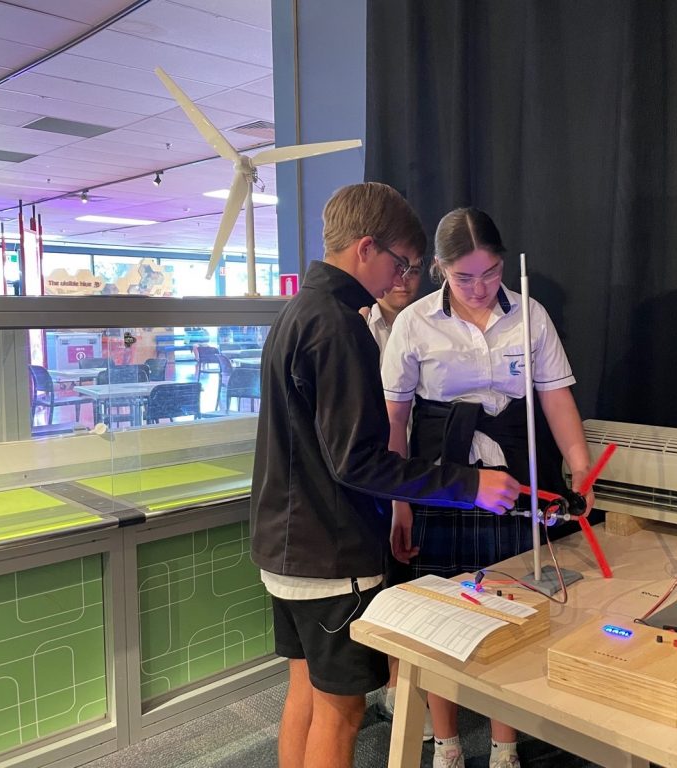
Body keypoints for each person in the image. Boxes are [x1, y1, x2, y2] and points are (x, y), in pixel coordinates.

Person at [250, 185, 520, 768]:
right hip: (331, 557)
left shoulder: (295, 313)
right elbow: (358, 461)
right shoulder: (339, 326)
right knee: (342, 713)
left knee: (306, 694)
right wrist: (471, 485)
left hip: (284, 548)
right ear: (366, 248)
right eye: (402, 265)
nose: (404, 280)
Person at [380, 207, 594, 768]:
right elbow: (395, 424)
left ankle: (506, 744)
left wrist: (579, 464)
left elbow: (555, 397)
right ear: (439, 270)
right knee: (443, 614)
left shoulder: (530, 315)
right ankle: (447, 742)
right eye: (464, 276)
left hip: (518, 478)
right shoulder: (414, 323)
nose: (479, 288)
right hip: (444, 480)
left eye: (491, 273)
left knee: (514, 608)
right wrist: (401, 505)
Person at [360, 260, 436, 737]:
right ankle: (396, 686)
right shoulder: (358, 328)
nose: (403, 280)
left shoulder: (429, 320)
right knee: (390, 579)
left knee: (419, 577)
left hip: (422, 466)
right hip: (378, 470)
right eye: (397, 268)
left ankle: (422, 684)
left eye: (413, 270)